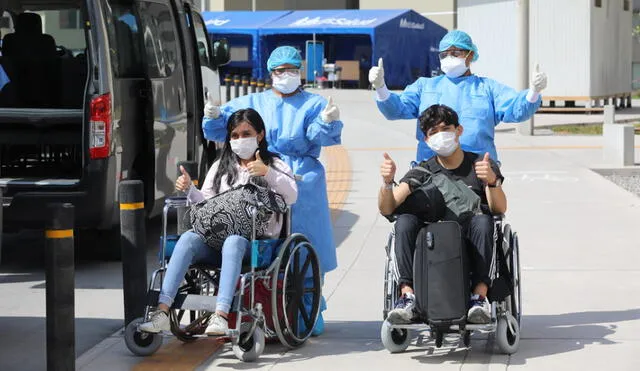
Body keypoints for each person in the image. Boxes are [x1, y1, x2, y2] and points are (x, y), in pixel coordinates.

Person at [202, 46, 343, 335]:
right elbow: (223, 132)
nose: (286, 75)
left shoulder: (314, 104)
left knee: (304, 245)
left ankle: (308, 305)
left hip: (301, 178)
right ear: (270, 74)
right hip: (256, 170)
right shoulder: (252, 101)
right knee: (259, 240)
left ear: (300, 73)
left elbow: (320, 136)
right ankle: (258, 300)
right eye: (280, 71)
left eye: (292, 70)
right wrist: (214, 115)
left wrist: (328, 122)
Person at [140, 108, 298, 335]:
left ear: (260, 135)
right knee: (189, 238)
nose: (240, 140)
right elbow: (206, 203)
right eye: (234, 135)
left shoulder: (274, 165)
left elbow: (292, 196)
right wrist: (189, 189)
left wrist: (266, 173)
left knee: (233, 241)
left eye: (246, 134)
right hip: (215, 240)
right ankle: (162, 312)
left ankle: (221, 316)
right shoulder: (221, 166)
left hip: (255, 244)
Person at [378, 104, 507, 325]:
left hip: (470, 238)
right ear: (427, 140)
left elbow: (500, 209)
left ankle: (479, 297)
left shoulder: (480, 165)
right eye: (433, 132)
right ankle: (407, 296)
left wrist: (492, 182)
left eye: (446, 128)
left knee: (485, 221)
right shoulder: (422, 171)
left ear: (459, 130)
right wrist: (388, 183)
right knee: (404, 222)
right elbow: (387, 208)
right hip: (433, 244)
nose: (441, 135)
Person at [369, 29, 547, 163]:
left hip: (478, 170)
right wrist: (381, 87)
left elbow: (516, 110)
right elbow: (396, 110)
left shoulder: (487, 88)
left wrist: (533, 92)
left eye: (455, 53)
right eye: (444, 54)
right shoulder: (425, 86)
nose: (449, 58)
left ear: (470, 56)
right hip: (431, 168)